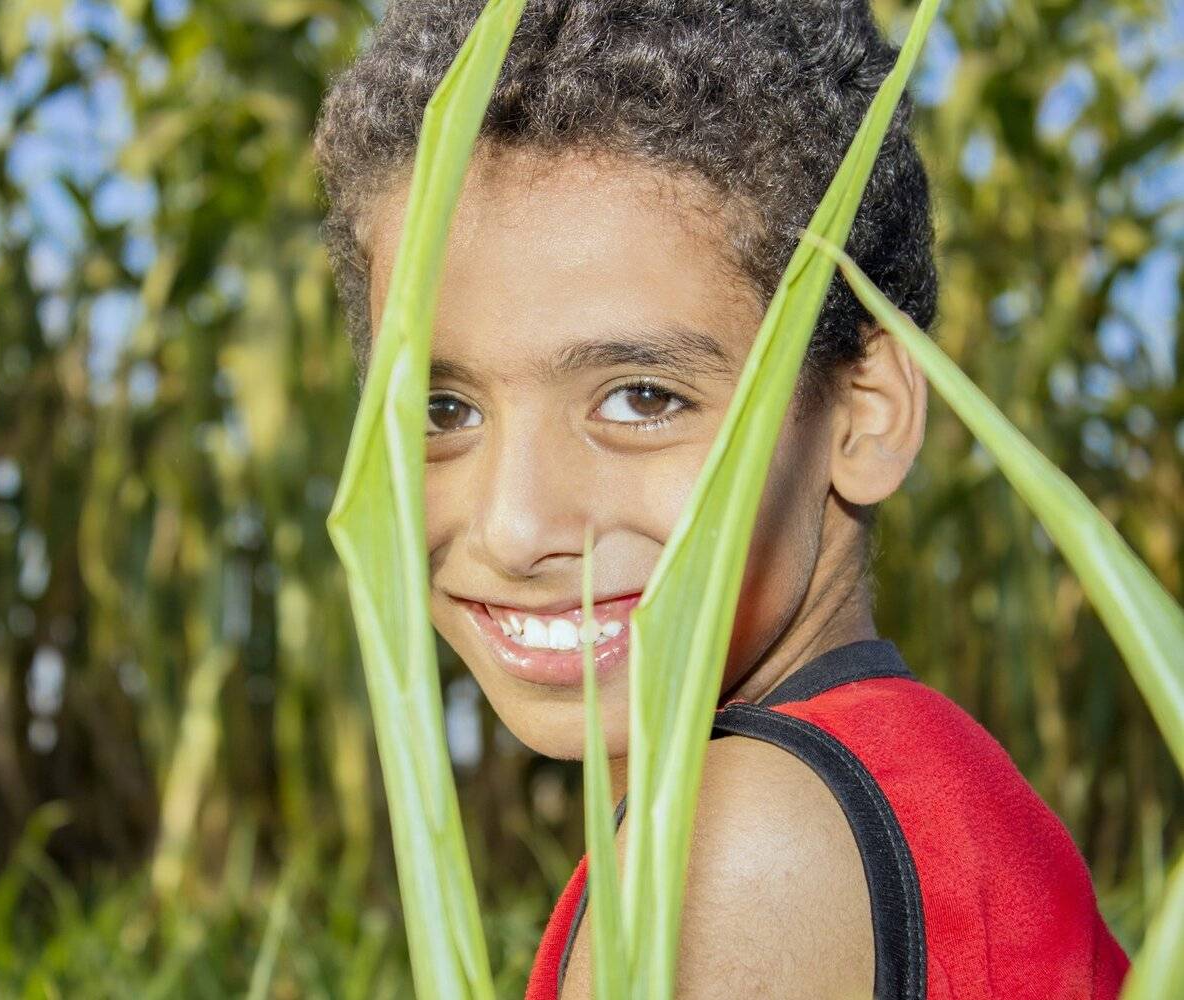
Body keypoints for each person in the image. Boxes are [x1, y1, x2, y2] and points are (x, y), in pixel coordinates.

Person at [311, 2, 1130, 996]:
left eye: (641, 399)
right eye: (443, 411)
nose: (513, 528)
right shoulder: (931, 787)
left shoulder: (737, 855)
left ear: (864, 416)